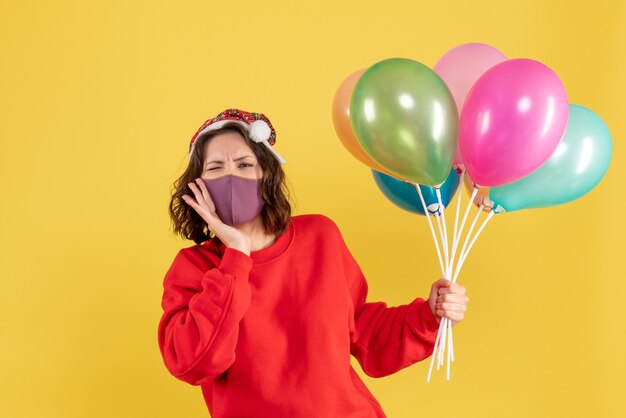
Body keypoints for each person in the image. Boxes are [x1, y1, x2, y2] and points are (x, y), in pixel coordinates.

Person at [157, 108, 469, 417]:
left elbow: (366, 332)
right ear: (196, 187)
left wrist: (429, 314)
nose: (231, 177)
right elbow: (193, 363)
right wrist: (237, 254)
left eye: (244, 164)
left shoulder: (320, 237)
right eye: (215, 168)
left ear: (266, 172)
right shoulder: (193, 268)